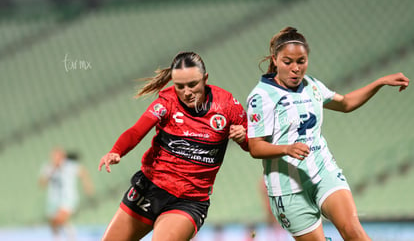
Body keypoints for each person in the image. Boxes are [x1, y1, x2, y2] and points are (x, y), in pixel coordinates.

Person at [246, 27, 410, 241]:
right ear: (275, 60)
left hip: (324, 172)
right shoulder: (261, 97)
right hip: (287, 188)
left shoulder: (312, 85)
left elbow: (346, 103)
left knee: (353, 231)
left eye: (301, 61)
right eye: (288, 62)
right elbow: (255, 147)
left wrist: (379, 82)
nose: (296, 68)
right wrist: (287, 148)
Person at [98, 51, 248, 241]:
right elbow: (137, 131)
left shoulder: (227, 105)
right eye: (180, 86)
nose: (187, 92)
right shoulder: (166, 103)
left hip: (189, 201)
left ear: (205, 79)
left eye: (193, 84)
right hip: (150, 188)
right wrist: (116, 151)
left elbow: (254, 144)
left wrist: (244, 138)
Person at [39, 146, 95, 241]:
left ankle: (72, 237)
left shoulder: (70, 166)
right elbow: (42, 183)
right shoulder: (48, 167)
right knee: (53, 222)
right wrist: (52, 170)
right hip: (53, 199)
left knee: (60, 218)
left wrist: (87, 186)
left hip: (69, 198)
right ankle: (59, 237)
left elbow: (83, 173)